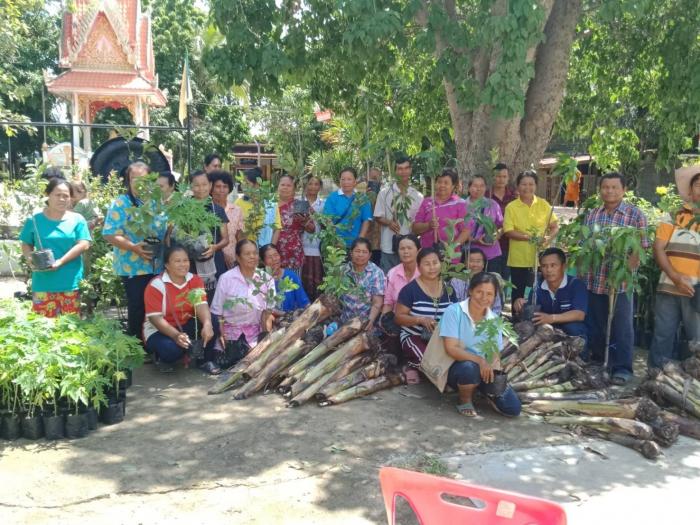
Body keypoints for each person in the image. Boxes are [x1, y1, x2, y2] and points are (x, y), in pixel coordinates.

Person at [583, 172, 649, 384]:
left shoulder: (634, 215)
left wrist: (623, 273)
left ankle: (622, 368)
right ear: (600, 190)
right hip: (595, 280)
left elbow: (639, 249)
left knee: (621, 327)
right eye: (605, 187)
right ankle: (601, 363)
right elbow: (587, 246)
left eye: (614, 187)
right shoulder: (593, 214)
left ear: (623, 190)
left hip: (620, 283)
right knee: (597, 324)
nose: (609, 191)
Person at [440, 272, 522, 417]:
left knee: (513, 408)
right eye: (479, 292)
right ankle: (464, 399)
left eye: (489, 294)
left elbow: (495, 352)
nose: (484, 298)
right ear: (470, 290)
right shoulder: (454, 311)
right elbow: (451, 348)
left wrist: (493, 368)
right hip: (456, 367)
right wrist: (480, 360)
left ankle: (481, 390)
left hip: (484, 368)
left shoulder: (494, 319)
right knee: (469, 368)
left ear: (495, 296)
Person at [103, 161, 167, 341]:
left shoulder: (157, 202)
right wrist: (133, 247)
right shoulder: (121, 203)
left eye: (144, 179)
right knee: (138, 306)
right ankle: (136, 346)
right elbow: (110, 234)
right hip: (133, 267)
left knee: (156, 306)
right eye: (134, 179)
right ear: (128, 181)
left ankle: (153, 344)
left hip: (157, 265)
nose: (139, 183)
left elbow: (165, 229)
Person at [648, 167, 700, 369]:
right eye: (698, 185)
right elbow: (658, 248)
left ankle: (692, 389)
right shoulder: (673, 215)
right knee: (663, 335)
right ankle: (655, 381)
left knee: (697, 340)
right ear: (690, 190)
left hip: (698, 290)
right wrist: (676, 277)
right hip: (669, 285)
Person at [19, 178, 91, 317]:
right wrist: (30, 259)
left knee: (70, 329)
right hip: (43, 283)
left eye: (66, 196)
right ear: (48, 195)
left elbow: (84, 244)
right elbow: (26, 242)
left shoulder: (77, 219)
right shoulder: (34, 220)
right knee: (44, 329)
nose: (62, 199)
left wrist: (61, 261)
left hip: (69, 282)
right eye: (58, 195)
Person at [142, 245, 220, 374]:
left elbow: (201, 304)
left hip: (185, 325)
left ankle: (206, 360)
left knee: (213, 321)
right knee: (171, 350)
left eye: (185, 260)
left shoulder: (194, 280)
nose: (183, 264)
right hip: (159, 330)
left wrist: (207, 324)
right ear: (166, 264)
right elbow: (155, 318)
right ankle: (160, 357)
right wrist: (176, 335)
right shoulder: (156, 285)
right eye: (177, 261)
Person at [503, 170, 559, 308]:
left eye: (531, 184)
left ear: (536, 185)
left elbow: (555, 226)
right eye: (523, 184)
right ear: (517, 186)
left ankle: (540, 320)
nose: (527, 187)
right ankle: (518, 322)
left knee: (542, 290)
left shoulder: (544, 204)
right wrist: (530, 238)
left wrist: (547, 238)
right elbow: (508, 231)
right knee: (518, 292)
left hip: (541, 258)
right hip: (518, 258)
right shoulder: (511, 207)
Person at [395, 247, 457, 366]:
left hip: (441, 338)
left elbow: (455, 315)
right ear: (418, 267)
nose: (432, 267)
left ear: (441, 264)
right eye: (427, 264)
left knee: (454, 360)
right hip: (414, 336)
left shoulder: (448, 289)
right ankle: (409, 366)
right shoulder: (409, 290)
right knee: (429, 363)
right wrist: (420, 319)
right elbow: (398, 318)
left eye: (435, 263)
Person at [210, 239, 276, 349]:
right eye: (247, 254)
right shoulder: (226, 278)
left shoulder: (267, 279)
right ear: (238, 257)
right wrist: (222, 335)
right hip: (230, 334)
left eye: (255, 253)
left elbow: (268, 314)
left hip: (255, 335)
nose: (252, 256)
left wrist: (265, 339)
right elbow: (218, 312)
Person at [514, 248, 587, 340]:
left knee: (574, 328)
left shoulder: (576, 285)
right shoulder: (538, 287)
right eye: (544, 266)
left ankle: (582, 354)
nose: (548, 270)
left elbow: (579, 314)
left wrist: (552, 318)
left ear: (563, 266)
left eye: (553, 265)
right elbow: (531, 310)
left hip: (570, 333)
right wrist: (519, 304)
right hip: (546, 331)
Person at [374, 156, 424, 273]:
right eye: (400, 169)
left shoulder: (417, 196)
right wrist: (389, 222)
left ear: (411, 170)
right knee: (389, 279)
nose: (403, 172)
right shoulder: (385, 193)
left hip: (409, 248)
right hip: (388, 246)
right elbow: (377, 216)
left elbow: (418, 222)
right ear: (395, 171)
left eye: (406, 168)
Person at [187, 170, 230, 297]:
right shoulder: (183, 209)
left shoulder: (217, 210)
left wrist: (215, 247)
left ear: (210, 185)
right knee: (193, 299)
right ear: (191, 186)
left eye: (204, 184)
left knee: (214, 299)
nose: (201, 188)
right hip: (191, 262)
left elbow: (225, 239)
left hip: (214, 260)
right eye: (197, 185)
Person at [413, 168, 469, 253]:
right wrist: (428, 225)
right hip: (427, 255)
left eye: (446, 183)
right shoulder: (427, 202)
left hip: (450, 256)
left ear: (453, 185)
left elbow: (466, 231)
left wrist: (451, 248)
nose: (442, 185)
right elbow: (415, 228)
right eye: (439, 182)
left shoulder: (460, 204)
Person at [339, 237, 385, 328]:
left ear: (370, 255)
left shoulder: (376, 273)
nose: (360, 255)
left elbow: (377, 303)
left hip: (365, 323)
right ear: (351, 253)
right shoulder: (342, 271)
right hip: (344, 321)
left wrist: (370, 321)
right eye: (357, 251)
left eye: (364, 252)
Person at [323, 167, 373, 248]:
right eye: (343, 179)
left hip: (356, 244)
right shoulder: (332, 197)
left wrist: (360, 241)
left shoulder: (362, 198)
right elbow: (327, 219)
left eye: (349, 179)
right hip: (335, 244)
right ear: (339, 181)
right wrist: (335, 239)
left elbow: (366, 220)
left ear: (355, 181)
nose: (346, 182)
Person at [464, 175, 504, 275]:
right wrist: (475, 240)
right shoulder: (462, 206)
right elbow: (458, 231)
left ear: (485, 188)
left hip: (492, 254)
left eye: (482, 186)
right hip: (471, 255)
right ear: (469, 188)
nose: (478, 189)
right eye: (475, 185)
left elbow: (501, 226)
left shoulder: (493, 204)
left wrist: (496, 236)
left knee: (492, 284)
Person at [235, 167, 281, 247]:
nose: (243, 187)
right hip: (246, 249)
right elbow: (237, 231)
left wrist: (270, 248)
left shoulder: (270, 203)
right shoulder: (238, 203)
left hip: (266, 249)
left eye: (247, 183)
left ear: (257, 184)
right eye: (242, 183)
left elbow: (277, 228)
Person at [450, 248, 504, 315]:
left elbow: (496, 309)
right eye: (471, 261)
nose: (475, 265)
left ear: (483, 264)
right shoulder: (456, 281)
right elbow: (454, 305)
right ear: (464, 263)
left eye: (478, 261)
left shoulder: (491, 281)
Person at [486, 163, 517, 282]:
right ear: (493, 177)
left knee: (504, 280)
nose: (501, 179)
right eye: (498, 176)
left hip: (508, 245)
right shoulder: (486, 196)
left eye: (504, 177)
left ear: (508, 178)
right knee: (490, 279)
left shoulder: (514, 197)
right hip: (490, 245)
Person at [209, 170, 244, 269]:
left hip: (233, 262)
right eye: (218, 186)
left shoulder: (237, 210)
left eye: (225, 186)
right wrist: (223, 255)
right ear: (211, 189)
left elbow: (239, 237)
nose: (222, 190)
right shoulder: (207, 210)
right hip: (212, 259)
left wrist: (240, 257)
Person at [259, 243, 310, 312]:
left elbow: (303, 301)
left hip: (291, 318)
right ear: (263, 262)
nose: (274, 259)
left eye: (276, 255)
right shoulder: (261, 280)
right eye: (269, 257)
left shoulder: (291, 276)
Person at [382, 235, 421, 314]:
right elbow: (388, 303)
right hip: (396, 321)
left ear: (418, 251)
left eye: (409, 248)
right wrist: (383, 321)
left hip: (421, 320)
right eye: (402, 249)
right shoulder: (392, 273)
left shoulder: (424, 272)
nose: (405, 251)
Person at [301, 176, 325, 302]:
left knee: (317, 279)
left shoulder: (324, 204)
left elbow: (325, 224)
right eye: (310, 183)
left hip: (317, 246)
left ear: (320, 187)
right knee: (303, 280)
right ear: (305, 185)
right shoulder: (298, 202)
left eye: (316, 184)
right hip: (301, 246)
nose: (313, 187)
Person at [276, 175, 306, 273]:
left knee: (294, 285)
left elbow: (312, 229)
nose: (285, 187)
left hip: (293, 253)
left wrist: (305, 221)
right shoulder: (269, 204)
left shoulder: (300, 204)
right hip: (272, 253)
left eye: (288, 185)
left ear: (294, 189)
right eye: (282, 185)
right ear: (278, 186)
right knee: (272, 285)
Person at [364, 167, 383, 266]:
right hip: (365, 240)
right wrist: (364, 195)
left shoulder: (385, 194)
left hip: (379, 243)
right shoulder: (360, 196)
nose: (374, 181)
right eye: (371, 178)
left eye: (376, 179)